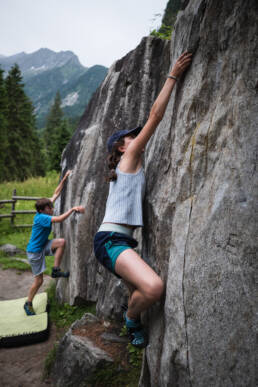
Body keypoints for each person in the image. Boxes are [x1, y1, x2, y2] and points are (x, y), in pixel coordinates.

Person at [94, 52, 192, 347]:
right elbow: (155, 117)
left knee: (139, 288)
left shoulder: (127, 166)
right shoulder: (130, 158)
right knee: (153, 287)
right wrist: (172, 76)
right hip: (110, 241)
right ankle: (131, 320)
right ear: (122, 148)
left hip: (118, 241)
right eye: (130, 138)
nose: (135, 139)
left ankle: (131, 323)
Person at [24, 170, 85, 316]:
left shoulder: (43, 212)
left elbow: (55, 193)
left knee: (61, 242)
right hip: (34, 252)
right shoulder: (42, 218)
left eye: (51, 207)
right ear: (42, 210)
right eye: (49, 208)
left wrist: (64, 178)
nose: (52, 209)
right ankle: (28, 303)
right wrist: (73, 209)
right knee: (39, 281)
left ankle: (56, 270)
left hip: (42, 245)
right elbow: (59, 219)